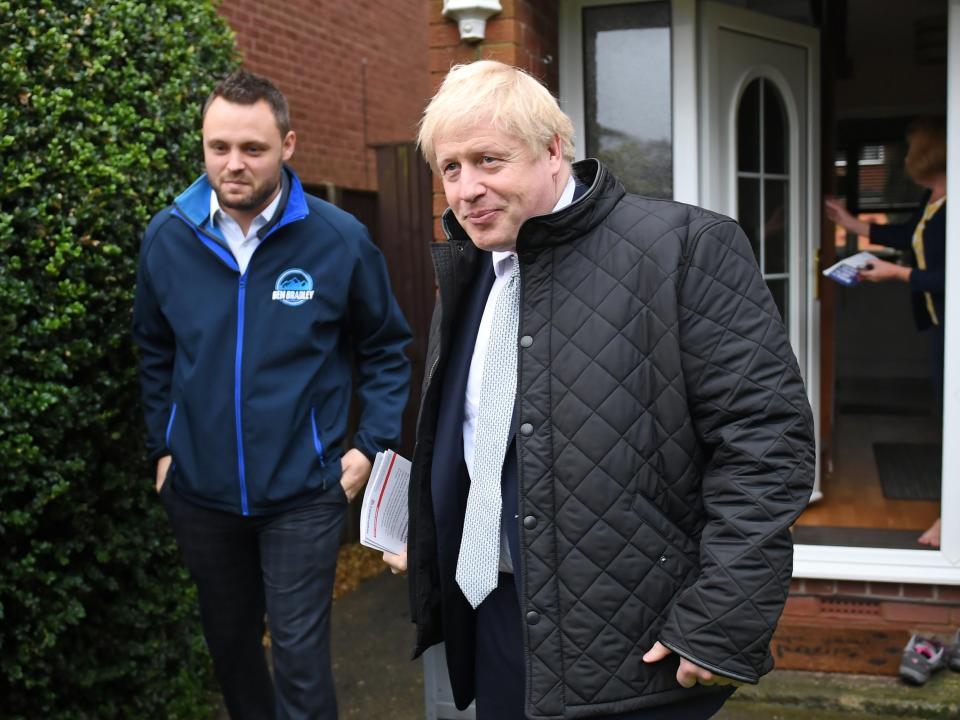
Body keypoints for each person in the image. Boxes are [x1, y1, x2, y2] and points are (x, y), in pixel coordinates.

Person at [383, 61, 815, 720]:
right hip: (495, 619)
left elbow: (766, 445)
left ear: (554, 150)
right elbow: (478, 438)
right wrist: (432, 534)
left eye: (488, 161)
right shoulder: (472, 270)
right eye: (450, 169)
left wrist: (720, 618)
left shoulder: (684, 249)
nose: (466, 189)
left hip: (635, 645)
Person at [133, 69, 411, 720]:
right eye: (218, 147)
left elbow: (386, 347)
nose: (233, 164)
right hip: (200, 495)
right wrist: (162, 450)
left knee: (301, 667)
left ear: (288, 145)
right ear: (202, 145)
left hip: (303, 495)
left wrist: (370, 446)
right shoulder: (168, 238)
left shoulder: (338, 240)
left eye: (252, 149)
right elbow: (155, 349)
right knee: (231, 652)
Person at [824, 116, 946, 548]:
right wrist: (851, 223)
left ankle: (948, 520)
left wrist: (897, 273)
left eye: (912, 148)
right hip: (938, 323)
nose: (907, 157)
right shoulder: (933, 198)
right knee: (944, 416)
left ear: (929, 153)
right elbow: (906, 235)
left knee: (952, 421)